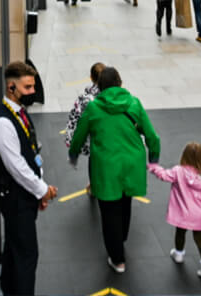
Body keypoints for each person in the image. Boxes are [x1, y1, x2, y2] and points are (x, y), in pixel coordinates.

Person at [69, 66, 160, 274]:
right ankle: (122, 239)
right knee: (125, 202)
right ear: (120, 82)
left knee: (108, 210)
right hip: (131, 164)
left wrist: (73, 155)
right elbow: (152, 137)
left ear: (99, 86)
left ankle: (117, 259)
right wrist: (153, 158)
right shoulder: (134, 103)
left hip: (106, 166)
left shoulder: (93, 108)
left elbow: (79, 135)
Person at [0, 61, 57, 296]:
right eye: (28, 88)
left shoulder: (19, 114)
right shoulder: (2, 123)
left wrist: (40, 187)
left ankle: (9, 290)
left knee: (14, 249)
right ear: (11, 88)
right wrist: (42, 189)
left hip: (24, 195)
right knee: (27, 255)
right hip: (15, 199)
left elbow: (31, 151)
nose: (32, 92)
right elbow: (15, 166)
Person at [148, 142, 201, 278]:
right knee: (200, 239)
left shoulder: (178, 171)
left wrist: (153, 167)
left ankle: (179, 254)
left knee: (180, 233)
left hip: (182, 213)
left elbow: (163, 175)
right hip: (198, 215)